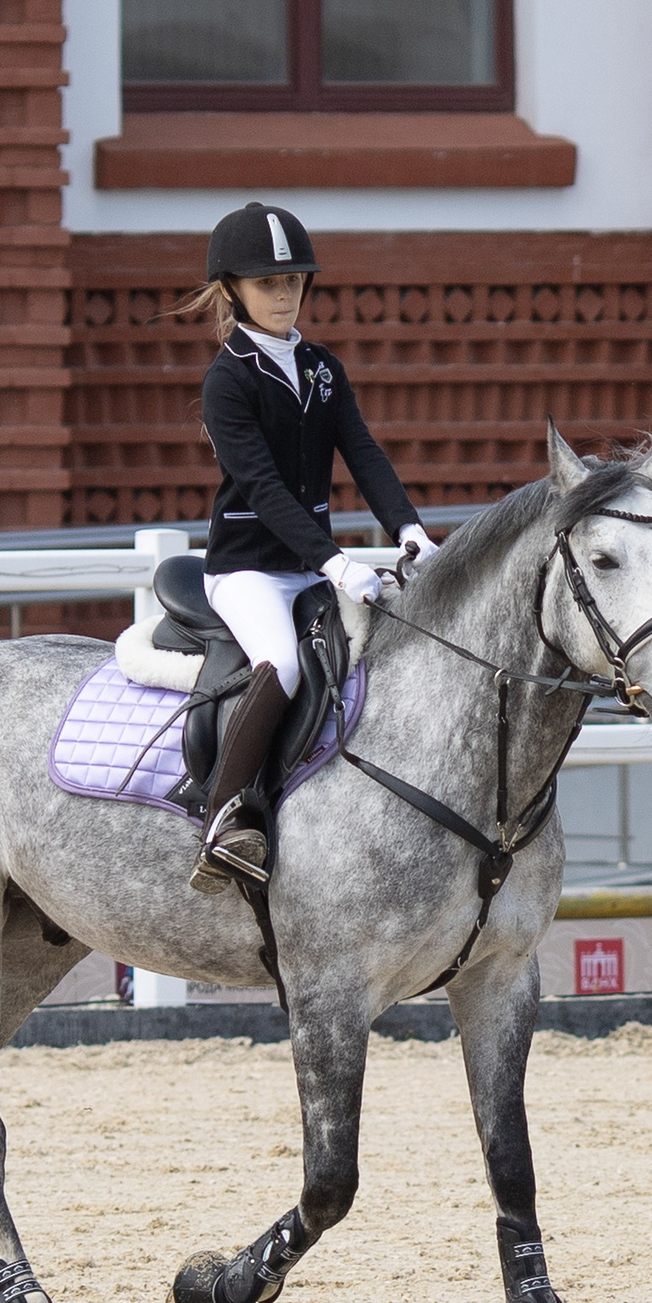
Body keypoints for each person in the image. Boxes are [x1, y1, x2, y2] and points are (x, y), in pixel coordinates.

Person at [177, 201, 435, 894]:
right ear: (232, 289)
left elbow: (363, 451)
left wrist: (408, 529)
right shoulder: (227, 381)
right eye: (268, 284)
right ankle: (223, 818)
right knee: (285, 665)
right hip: (249, 570)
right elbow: (261, 487)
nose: (284, 294)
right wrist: (336, 562)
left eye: (293, 281)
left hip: (312, 564)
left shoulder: (322, 368)